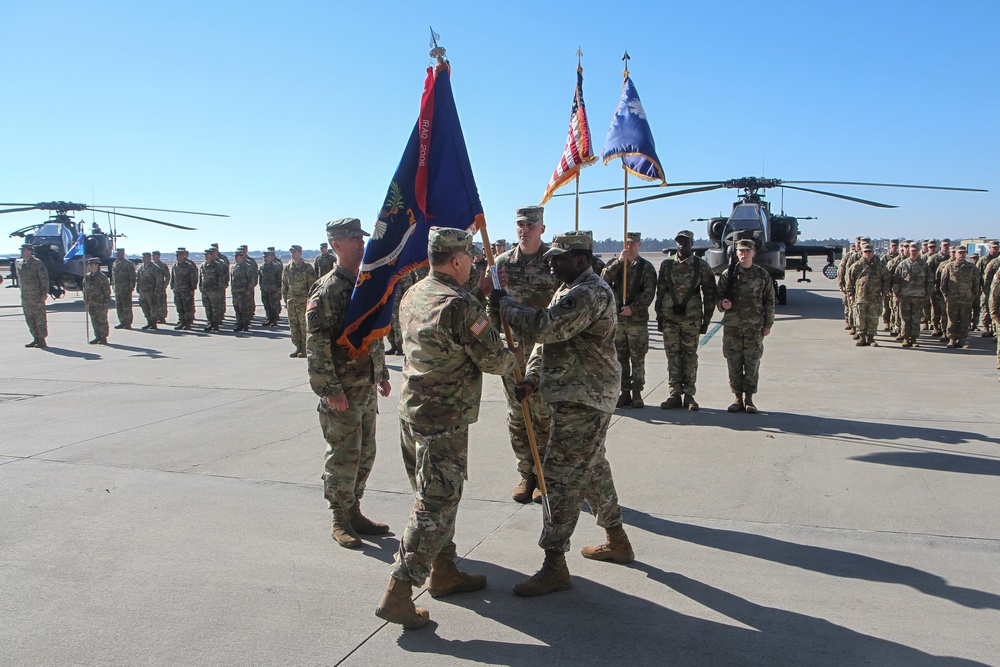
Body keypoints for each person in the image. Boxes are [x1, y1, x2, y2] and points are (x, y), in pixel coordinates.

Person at [375, 227, 517, 629]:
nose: (472, 262)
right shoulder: (459, 305)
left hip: (412, 412)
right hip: (443, 419)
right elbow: (492, 358)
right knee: (436, 504)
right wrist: (515, 359)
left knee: (430, 495)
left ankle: (445, 569)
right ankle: (398, 593)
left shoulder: (414, 293)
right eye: (469, 257)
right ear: (456, 260)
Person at [489, 230, 634, 598]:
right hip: (573, 394)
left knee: (558, 478)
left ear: (581, 260)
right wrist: (533, 380)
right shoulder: (568, 289)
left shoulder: (589, 292)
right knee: (592, 467)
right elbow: (545, 346)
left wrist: (503, 302)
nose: (551, 263)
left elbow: (545, 326)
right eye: (550, 257)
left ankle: (554, 565)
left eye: (559, 258)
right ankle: (617, 539)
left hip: (585, 396)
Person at [307, 218, 392, 549]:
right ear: (336, 245)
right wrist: (330, 390)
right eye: (354, 238)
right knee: (343, 456)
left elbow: (373, 335)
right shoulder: (327, 289)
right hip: (341, 391)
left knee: (365, 452)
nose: (361, 242)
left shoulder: (364, 284)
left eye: (362, 237)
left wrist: (381, 373)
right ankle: (339, 518)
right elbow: (317, 346)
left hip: (365, 387)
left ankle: (354, 509)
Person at [492, 205, 559, 503]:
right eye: (520, 224)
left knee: (544, 416)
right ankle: (526, 473)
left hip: (546, 354)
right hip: (514, 354)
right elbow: (491, 307)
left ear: (542, 228)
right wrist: (497, 346)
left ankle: (546, 476)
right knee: (518, 415)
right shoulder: (502, 264)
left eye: (532, 224)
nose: (525, 229)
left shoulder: (554, 263)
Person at [655, 230, 717, 410]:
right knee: (672, 356)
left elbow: (710, 294)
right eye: (679, 241)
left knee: (690, 356)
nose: (682, 245)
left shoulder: (701, 266)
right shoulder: (666, 265)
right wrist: (659, 317)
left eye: (685, 241)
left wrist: (706, 320)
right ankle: (674, 393)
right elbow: (660, 292)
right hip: (669, 319)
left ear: (692, 243)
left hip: (692, 319)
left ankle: (689, 395)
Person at [718, 239, 775, 413]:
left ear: (753, 253)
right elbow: (718, 297)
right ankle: (737, 397)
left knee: (752, 364)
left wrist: (768, 324)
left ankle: (749, 398)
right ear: (736, 253)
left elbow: (769, 301)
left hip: (753, 327)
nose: (743, 254)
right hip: (733, 328)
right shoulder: (728, 275)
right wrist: (722, 304)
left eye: (747, 251)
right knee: (733, 363)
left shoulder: (762, 275)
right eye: (740, 251)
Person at [601, 232, 657, 408]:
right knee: (620, 358)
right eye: (627, 243)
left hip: (636, 321)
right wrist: (618, 263)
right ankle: (624, 392)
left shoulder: (646, 268)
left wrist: (633, 307)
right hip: (618, 321)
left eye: (633, 243)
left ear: (639, 245)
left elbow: (649, 293)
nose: (630, 246)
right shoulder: (615, 264)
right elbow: (603, 280)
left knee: (637, 358)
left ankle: (637, 392)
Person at [846, 243, 888, 346]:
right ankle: (861, 337)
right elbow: (849, 281)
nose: (867, 254)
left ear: (873, 253)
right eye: (865, 252)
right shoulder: (856, 266)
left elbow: (886, 279)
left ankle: (871, 338)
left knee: (873, 318)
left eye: (869, 252)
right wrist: (851, 294)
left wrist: (884, 293)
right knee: (860, 318)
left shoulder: (879, 267)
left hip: (875, 297)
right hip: (860, 297)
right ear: (862, 253)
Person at [892, 242, 933, 348]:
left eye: (915, 250)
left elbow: (929, 280)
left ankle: (914, 339)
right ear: (909, 251)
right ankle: (905, 338)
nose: (914, 252)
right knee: (905, 319)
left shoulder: (924, 265)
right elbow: (896, 280)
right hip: (905, 296)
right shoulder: (903, 264)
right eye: (912, 250)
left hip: (919, 296)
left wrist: (928, 292)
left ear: (918, 251)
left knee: (916, 319)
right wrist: (896, 293)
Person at [940, 246, 980, 349]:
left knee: (965, 319)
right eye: (959, 253)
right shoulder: (949, 267)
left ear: (965, 254)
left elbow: (976, 283)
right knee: (952, 319)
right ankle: (952, 339)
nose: (961, 255)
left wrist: (972, 296)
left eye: (963, 253)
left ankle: (962, 340)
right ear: (955, 254)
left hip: (966, 299)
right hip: (952, 298)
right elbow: (943, 284)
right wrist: (945, 296)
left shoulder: (972, 268)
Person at [281, 245, 317, 358]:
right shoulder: (288, 267)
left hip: (303, 302)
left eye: (295, 251)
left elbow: (313, 286)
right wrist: (285, 300)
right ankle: (298, 347)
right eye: (291, 252)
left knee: (304, 325)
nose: (293, 253)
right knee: (294, 326)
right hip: (292, 302)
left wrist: (311, 302)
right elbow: (284, 285)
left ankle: (305, 348)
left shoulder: (306, 267)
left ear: (300, 253)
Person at [17, 243, 48, 348]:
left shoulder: (37, 263)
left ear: (30, 251)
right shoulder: (21, 264)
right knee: (29, 318)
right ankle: (35, 338)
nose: (22, 252)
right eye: (22, 250)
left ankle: (41, 339)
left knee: (39, 318)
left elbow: (44, 279)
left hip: (36, 296)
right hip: (26, 297)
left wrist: (44, 294)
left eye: (24, 250)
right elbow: (20, 281)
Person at [83, 257, 111, 344]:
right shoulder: (87, 277)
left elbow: (107, 290)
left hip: (100, 303)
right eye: (89, 265)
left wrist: (106, 301)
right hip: (91, 302)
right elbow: (85, 289)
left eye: (91, 265)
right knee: (94, 319)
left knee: (102, 320)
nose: (89, 266)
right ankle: (97, 336)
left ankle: (103, 337)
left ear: (97, 265)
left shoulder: (102, 277)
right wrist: (85, 299)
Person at [170, 248, 199, 330]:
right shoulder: (175, 265)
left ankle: (188, 323)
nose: (178, 257)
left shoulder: (188, 266)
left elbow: (193, 278)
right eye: (176, 255)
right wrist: (172, 286)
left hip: (186, 290)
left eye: (179, 255)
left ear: (183, 256)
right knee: (179, 307)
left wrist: (192, 289)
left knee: (187, 307)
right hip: (177, 290)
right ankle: (182, 321)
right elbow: (173, 277)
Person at [198, 247, 227, 331]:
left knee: (215, 308)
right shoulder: (203, 265)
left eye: (207, 255)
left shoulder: (217, 265)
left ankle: (216, 323)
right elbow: (201, 278)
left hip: (214, 291)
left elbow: (221, 278)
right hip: (205, 290)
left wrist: (219, 289)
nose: (205, 256)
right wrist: (201, 287)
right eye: (205, 255)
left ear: (211, 255)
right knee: (208, 307)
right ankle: (210, 322)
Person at [230, 249, 256, 331]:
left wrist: (249, 290)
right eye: (235, 256)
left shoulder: (247, 267)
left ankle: (245, 324)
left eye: (237, 256)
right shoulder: (233, 266)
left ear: (242, 257)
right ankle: (239, 323)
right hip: (235, 291)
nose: (236, 258)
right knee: (237, 308)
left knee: (244, 309)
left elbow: (251, 280)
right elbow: (232, 279)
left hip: (243, 292)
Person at [136, 252, 163, 330]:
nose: (143, 259)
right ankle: (149, 322)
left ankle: (153, 323)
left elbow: (159, 281)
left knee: (153, 308)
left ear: (149, 258)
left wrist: (156, 292)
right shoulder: (141, 268)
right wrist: (138, 289)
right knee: (145, 307)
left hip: (151, 292)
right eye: (143, 258)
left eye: (145, 257)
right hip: (143, 292)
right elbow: (138, 279)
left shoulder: (155, 268)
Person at [111, 247, 136, 330]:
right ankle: (122, 321)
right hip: (118, 289)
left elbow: (132, 277)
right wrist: (113, 286)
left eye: (119, 254)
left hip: (126, 289)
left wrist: (131, 287)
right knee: (119, 306)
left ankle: (128, 322)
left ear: (123, 254)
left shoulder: (128, 264)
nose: (117, 255)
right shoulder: (115, 263)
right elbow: (113, 276)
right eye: (116, 254)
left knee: (127, 306)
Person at [259, 249, 283, 326]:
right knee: (266, 304)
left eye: (266, 256)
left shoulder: (276, 266)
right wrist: (261, 287)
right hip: (264, 289)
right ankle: (269, 319)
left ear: (270, 257)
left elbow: (279, 278)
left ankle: (274, 320)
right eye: (264, 257)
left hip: (273, 289)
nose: (265, 258)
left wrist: (279, 289)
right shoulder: (262, 267)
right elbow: (261, 279)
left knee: (274, 305)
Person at [151, 251, 170, 324]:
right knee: (154, 303)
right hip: (152, 288)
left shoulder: (163, 265)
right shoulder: (151, 265)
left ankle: (162, 317)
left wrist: (164, 285)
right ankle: (155, 317)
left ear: (158, 256)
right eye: (153, 255)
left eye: (155, 255)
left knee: (161, 303)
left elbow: (167, 276)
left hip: (160, 287)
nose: (154, 257)